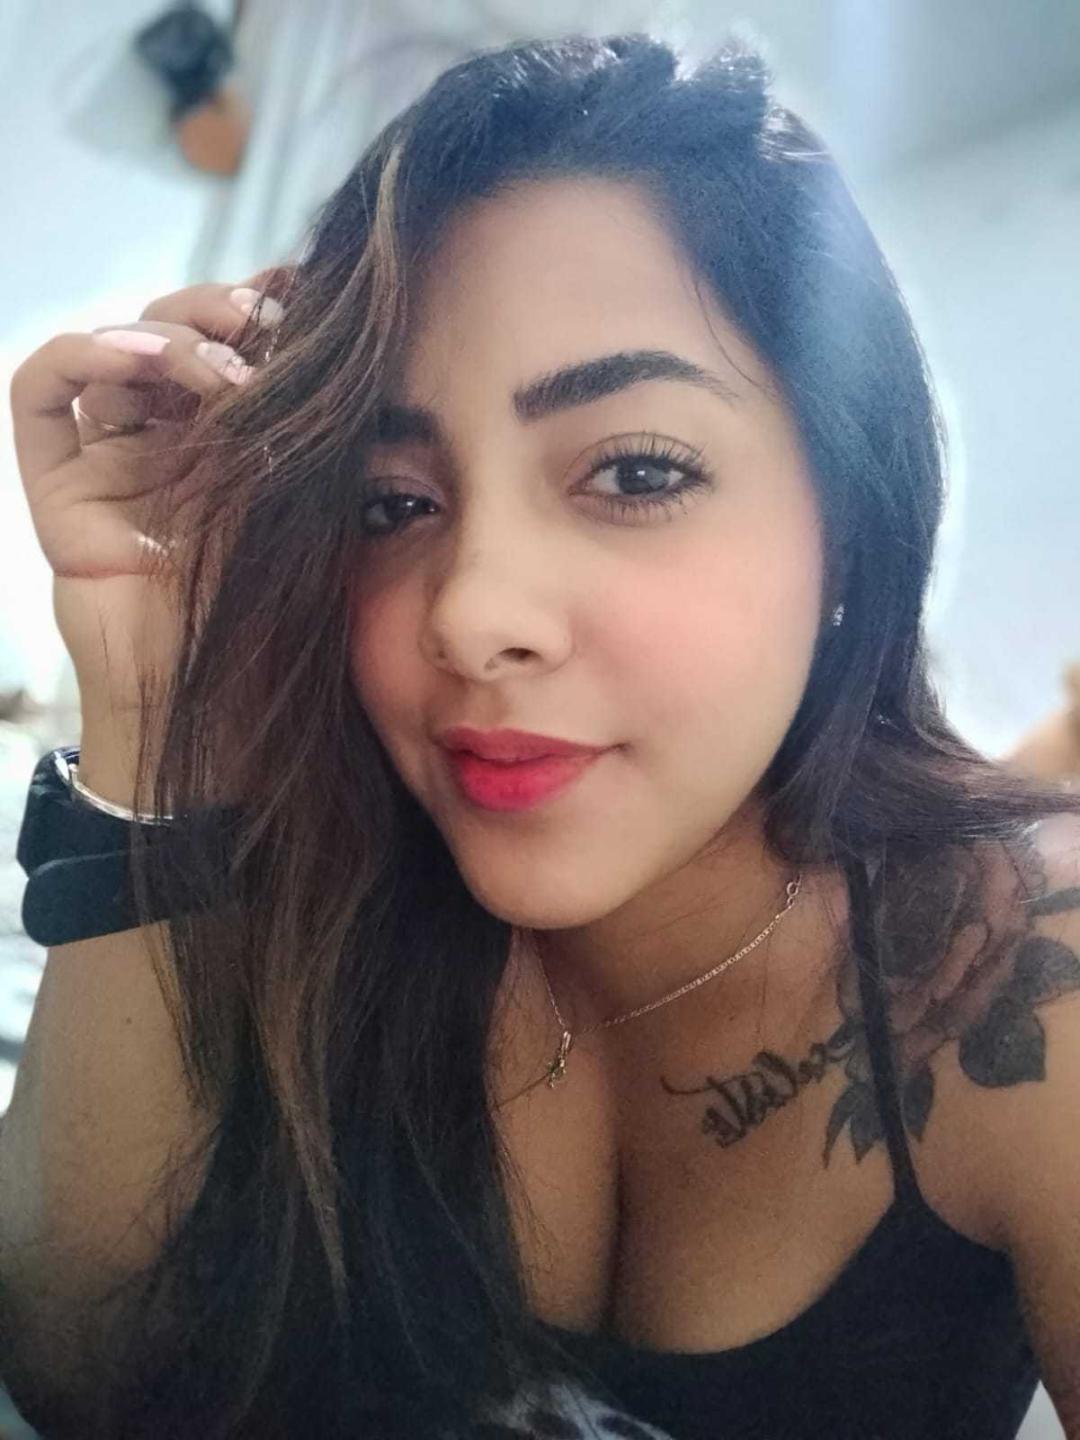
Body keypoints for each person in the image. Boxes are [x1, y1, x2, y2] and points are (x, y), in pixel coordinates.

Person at [2, 31, 1080, 1440]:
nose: (470, 616)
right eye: (393, 502)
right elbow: (84, 1375)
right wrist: (158, 691)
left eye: (634, 471)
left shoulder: (1027, 961)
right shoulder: (319, 874)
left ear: (850, 527)